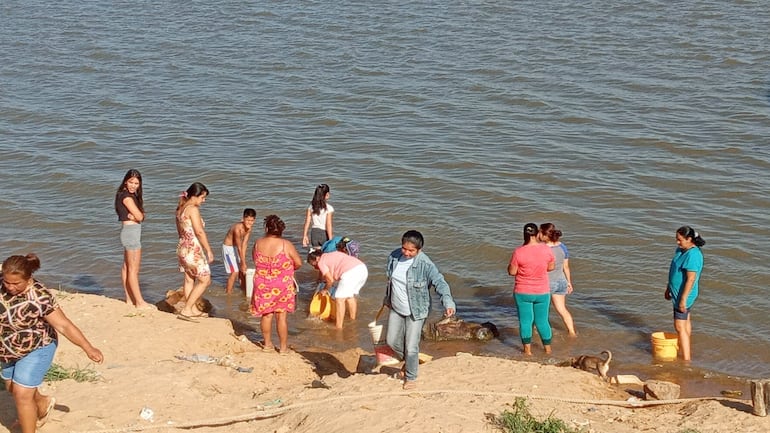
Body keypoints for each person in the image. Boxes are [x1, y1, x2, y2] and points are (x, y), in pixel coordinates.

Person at [0, 254, 104, 433]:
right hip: (8, 350)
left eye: (16, 283)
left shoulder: (40, 296)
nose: (10, 287)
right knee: (12, 387)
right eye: (7, 282)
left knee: (22, 394)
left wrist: (88, 347)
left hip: (38, 346)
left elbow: (64, 325)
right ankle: (43, 403)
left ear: (29, 278)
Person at [383, 230, 455, 390]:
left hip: (417, 311)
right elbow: (390, 282)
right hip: (396, 307)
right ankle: (410, 361)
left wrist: (448, 302)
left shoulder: (426, 265)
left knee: (411, 346)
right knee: (391, 341)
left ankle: (411, 377)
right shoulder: (394, 257)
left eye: (411, 250)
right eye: (404, 248)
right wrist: (386, 300)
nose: (406, 253)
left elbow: (440, 283)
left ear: (419, 250)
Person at [251, 215, 302, 354]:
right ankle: (283, 348)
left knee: (266, 315)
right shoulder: (286, 245)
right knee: (281, 316)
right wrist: (286, 270)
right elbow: (298, 262)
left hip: (262, 284)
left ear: (266, 228)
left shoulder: (258, 243)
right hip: (282, 284)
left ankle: (267, 345)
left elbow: (255, 259)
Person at [507, 223, 556, 355]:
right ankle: (548, 350)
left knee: (525, 321)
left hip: (523, 291)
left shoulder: (518, 252)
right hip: (542, 291)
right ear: (537, 234)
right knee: (542, 321)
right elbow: (551, 267)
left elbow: (512, 272)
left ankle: (527, 351)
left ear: (525, 234)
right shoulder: (546, 249)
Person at [306, 238, 367, 329]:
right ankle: (352, 320)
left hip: (350, 272)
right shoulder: (331, 254)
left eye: (314, 264)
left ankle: (338, 327)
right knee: (350, 297)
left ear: (317, 258)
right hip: (362, 269)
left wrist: (325, 290)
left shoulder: (321, 261)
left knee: (339, 299)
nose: (315, 267)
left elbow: (330, 280)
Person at [665, 225, 706, 361]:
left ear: (689, 239)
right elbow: (674, 271)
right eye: (676, 239)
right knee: (685, 323)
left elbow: (691, 279)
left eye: (680, 240)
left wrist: (683, 299)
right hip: (677, 293)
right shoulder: (681, 250)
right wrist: (668, 288)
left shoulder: (693, 255)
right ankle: (685, 349)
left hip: (684, 295)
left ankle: (686, 359)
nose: (677, 242)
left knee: (679, 326)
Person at [175, 182, 214, 322]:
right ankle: (187, 309)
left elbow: (180, 231)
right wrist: (208, 250)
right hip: (193, 249)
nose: (203, 201)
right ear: (196, 196)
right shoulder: (192, 209)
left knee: (189, 278)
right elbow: (199, 231)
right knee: (205, 280)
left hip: (182, 247)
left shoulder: (180, 209)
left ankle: (192, 309)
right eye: (203, 198)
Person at [114, 169, 153, 309]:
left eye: (136, 183)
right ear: (126, 181)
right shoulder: (127, 198)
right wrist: (138, 215)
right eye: (131, 182)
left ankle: (129, 299)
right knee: (133, 270)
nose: (133, 186)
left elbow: (140, 215)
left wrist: (137, 215)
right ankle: (140, 302)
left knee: (126, 267)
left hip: (129, 232)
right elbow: (141, 216)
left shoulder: (125, 195)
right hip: (131, 234)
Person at [539, 223, 576, 336]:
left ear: (545, 235)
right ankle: (572, 332)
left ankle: (541, 333)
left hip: (547, 283)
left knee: (541, 311)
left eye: (540, 232)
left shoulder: (542, 249)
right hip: (561, 281)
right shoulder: (562, 246)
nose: (538, 234)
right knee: (562, 310)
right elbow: (566, 267)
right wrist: (569, 282)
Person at [222, 208, 257, 294]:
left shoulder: (249, 229)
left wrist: (243, 261)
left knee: (242, 271)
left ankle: (244, 290)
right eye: (248, 220)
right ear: (243, 218)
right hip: (228, 249)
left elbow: (244, 245)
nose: (249, 223)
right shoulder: (237, 229)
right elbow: (239, 246)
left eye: (251, 221)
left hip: (237, 248)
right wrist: (243, 262)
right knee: (234, 272)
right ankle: (228, 293)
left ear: (254, 220)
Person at [301, 184, 334, 250]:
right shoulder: (329, 208)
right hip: (324, 233)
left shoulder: (311, 207)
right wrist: (331, 239)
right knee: (325, 254)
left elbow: (307, 222)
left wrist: (305, 235)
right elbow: (328, 225)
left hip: (314, 233)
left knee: (316, 254)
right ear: (327, 195)